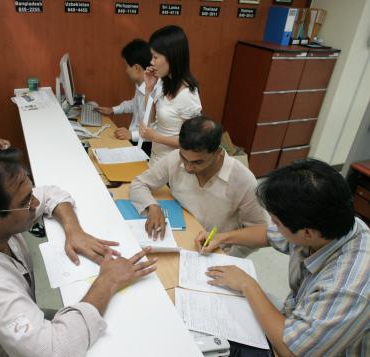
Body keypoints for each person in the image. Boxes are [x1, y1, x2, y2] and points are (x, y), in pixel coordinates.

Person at [0, 148, 157, 357]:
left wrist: (74, 230)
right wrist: (107, 281)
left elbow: (51, 194)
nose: (36, 203)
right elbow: (52, 350)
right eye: (26, 201)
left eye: (30, 192)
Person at [198, 159, 369, 356]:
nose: (272, 224)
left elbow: (291, 351)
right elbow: (268, 234)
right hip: (294, 318)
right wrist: (224, 237)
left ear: (307, 234)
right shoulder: (327, 223)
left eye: (277, 222)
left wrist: (248, 285)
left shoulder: (349, 287)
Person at [130, 116, 268, 257]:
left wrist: (228, 254)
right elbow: (139, 183)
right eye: (184, 158)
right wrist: (152, 206)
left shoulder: (242, 180)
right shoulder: (176, 159)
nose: (188, 167)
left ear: (217, 153)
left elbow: (261, 232)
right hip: (179, 237)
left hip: (212, 251)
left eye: (198, 162)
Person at [141, 25, 202, 166]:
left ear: (171, 57)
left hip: (176, 167)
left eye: (155, 57)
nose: (151, 62)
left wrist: (155, 137)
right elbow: (149, 118)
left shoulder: (188, 94)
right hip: (156, 160)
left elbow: (191, 142)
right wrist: (149, 89)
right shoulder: (163, 82)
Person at [96, 39, 152, 154]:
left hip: (145, 145)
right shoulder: (141, 84)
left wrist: (131, 135)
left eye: (126, 66)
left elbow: (156, 130)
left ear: (136, 68)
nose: (126, 70)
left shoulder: (153, 91)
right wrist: (113, 110)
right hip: (134, 139)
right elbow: (134, 103)